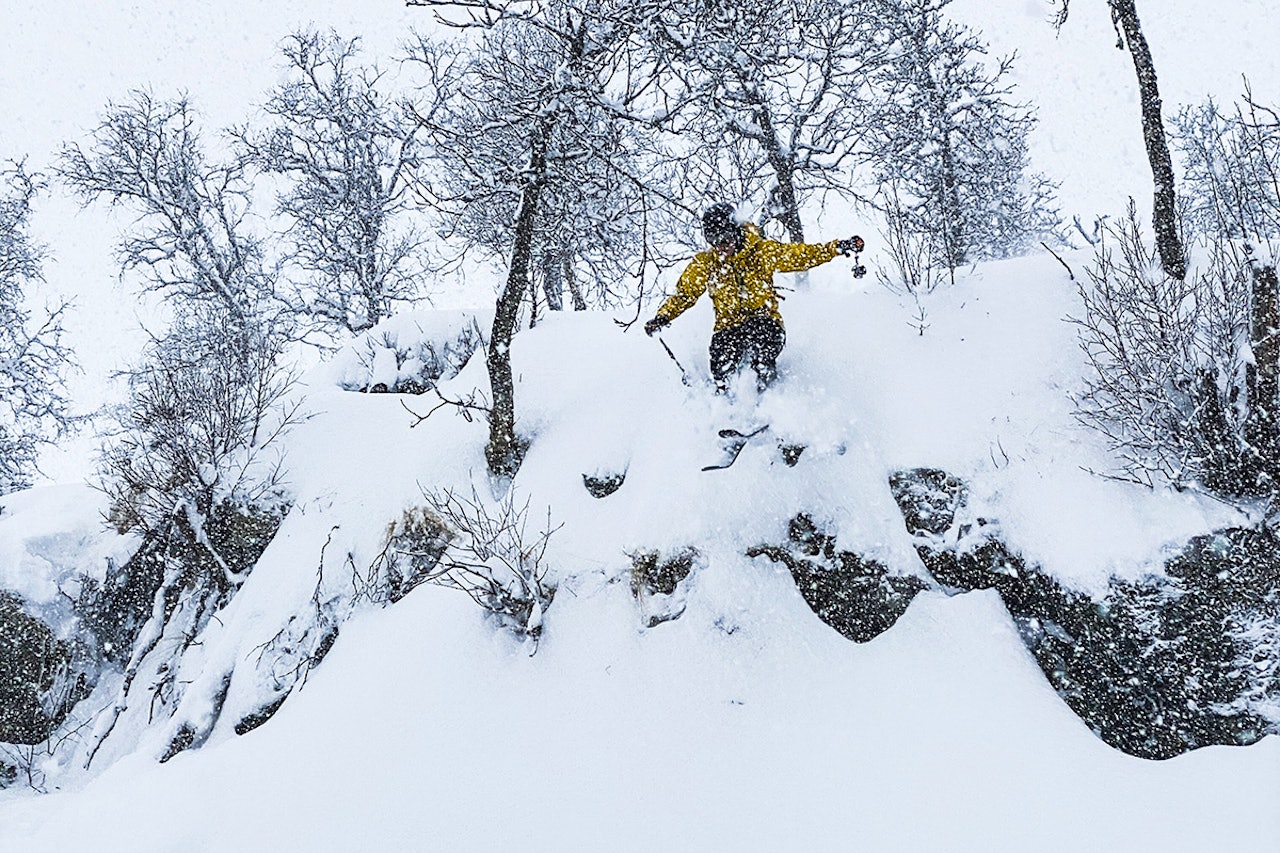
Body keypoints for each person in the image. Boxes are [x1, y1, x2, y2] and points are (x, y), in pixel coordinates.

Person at [644, 202, 863, 392]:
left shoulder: (761, 252)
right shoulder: (707, 263)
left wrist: (836, 247)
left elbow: (800, 256)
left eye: (725, 238)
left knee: (760, 342)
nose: (721, 247)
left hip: (764, 320)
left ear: (736, 232)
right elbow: (685, 293)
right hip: (728, 327)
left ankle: (768, 399)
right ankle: (728, 406)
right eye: (714, 241)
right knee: (721, 360)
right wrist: (663, 316)